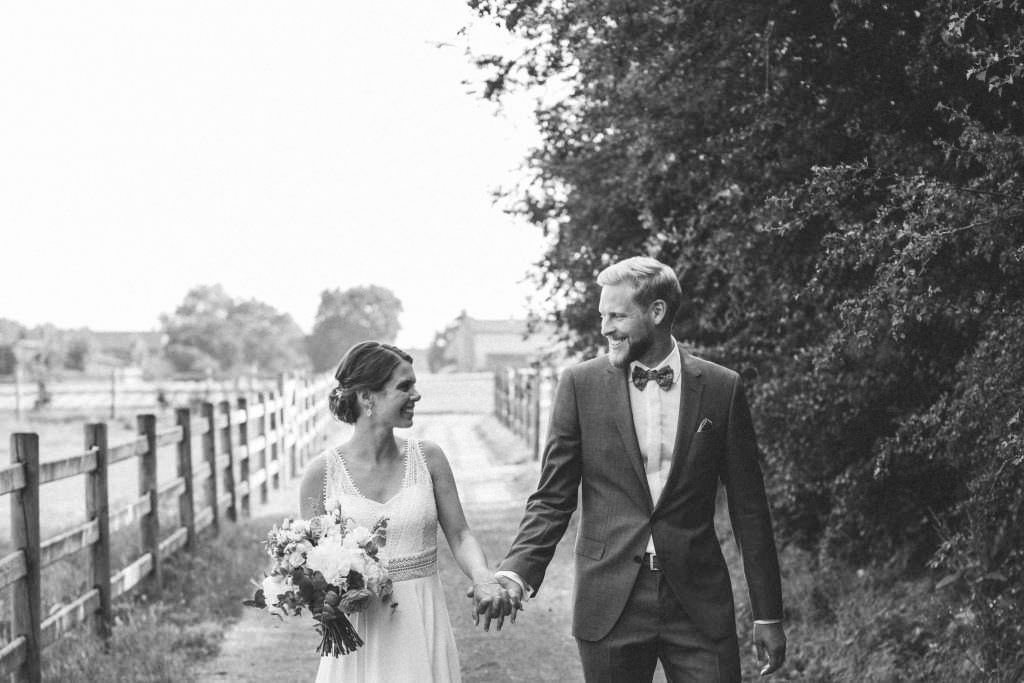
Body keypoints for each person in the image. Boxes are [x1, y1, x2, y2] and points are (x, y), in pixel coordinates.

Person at [490, 256, 787, 682]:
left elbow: (750, 510)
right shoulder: (580, 385)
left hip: (698, 604)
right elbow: (552, 498)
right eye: (601, 316)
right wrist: (515, 571)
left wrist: (768, 613)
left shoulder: (722, 388)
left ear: (657, 312)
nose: (605, 327)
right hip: (609, 602)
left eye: (617, 315)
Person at [298, 341, 509, 683]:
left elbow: (460, 534)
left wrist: (483, 576)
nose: (416, 395)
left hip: (422, 619)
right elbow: (312, 570)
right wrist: (325, 590)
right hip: (361, 631)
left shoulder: (430, 458)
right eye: (404, 386)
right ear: (368, 397)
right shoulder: (321, 474)